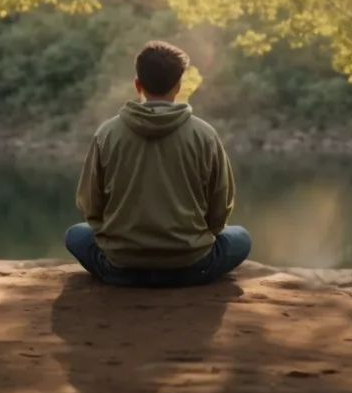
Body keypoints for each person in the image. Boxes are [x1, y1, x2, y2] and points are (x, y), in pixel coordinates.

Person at [64, 41, 251, 287]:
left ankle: (129, 272)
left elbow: (90, 205)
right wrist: (196, 239)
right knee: (241, 237)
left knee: (76, 234)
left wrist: (116, 241)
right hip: (191, 264)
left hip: (122, 264)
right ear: (178, 86)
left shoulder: (107, 133)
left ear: (137, 84)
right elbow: (220, 207)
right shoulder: (205, 134)